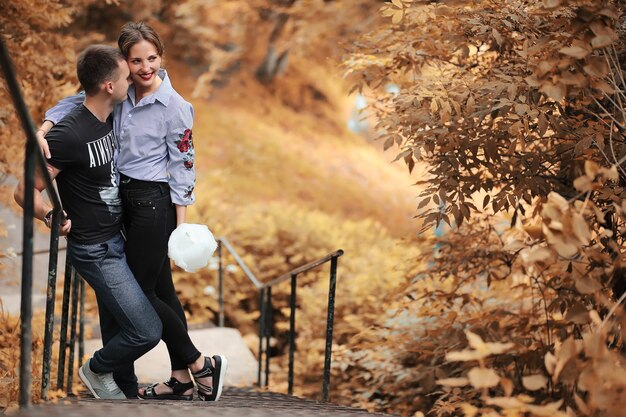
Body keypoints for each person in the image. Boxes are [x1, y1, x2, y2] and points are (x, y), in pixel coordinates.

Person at [38, 22, 227, 402]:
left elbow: (184, 166)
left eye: (152, 58)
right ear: (124, 63)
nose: (145, 67)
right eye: (136, 60)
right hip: (123, 201)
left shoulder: (175, 106)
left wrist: (180, 227)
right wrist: (43, 130)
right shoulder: (119, 91)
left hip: (152, 205)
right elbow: (72, 102)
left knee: (139, 293)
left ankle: (197, 363)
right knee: (161, 290)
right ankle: (182, 376)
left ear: (162, 56)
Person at [15, 45, 163, 400]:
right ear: (109, 86)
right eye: (126, 74)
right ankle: (96, 369)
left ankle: (123, 389)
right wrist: (49, 214)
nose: (134, 77)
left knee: (124, 321)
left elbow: (155, 79)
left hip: (119, 238)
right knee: (147, 330)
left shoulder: (112, 113)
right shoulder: (67, 136)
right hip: (95, 249)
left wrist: (45, 119)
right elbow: (23, 191)